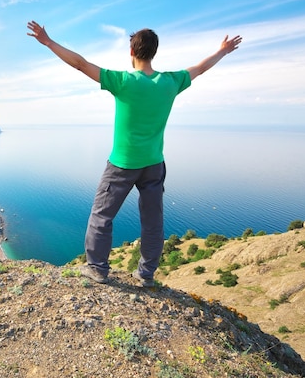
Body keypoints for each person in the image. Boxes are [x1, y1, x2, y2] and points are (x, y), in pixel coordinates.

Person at [27, 20, 242, 287]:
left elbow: (80, 64)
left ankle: (97, 269)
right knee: (153, 223)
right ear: (153, 53)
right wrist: (222, 51)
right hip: (154, 164)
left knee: (101, 217)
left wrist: (48, 42)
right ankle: (145, 275)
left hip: (122, 164)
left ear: (132, 53)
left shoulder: (123, 81)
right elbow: (200, 68)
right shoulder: (171, 82)